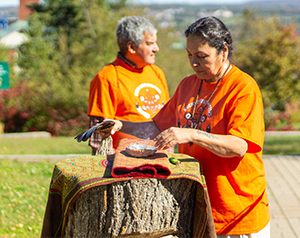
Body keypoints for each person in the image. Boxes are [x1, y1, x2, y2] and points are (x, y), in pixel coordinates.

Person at [100, 16, 270, 237]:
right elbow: (156, 127)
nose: (194, 63)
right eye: (189, 55)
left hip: (237, 213)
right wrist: (121, 125)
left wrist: (190, 134)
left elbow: (238, 146)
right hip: (197, 206)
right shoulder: (188, 84)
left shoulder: (244, 88)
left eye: (201, 56)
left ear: (224, 52)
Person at [87, 16, 170, 155]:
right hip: (123, 162)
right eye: (150, 43)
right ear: (131, 47)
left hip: (158, 157)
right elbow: (99, 133)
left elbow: (167, 119)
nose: (157, 48)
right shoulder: (107, 76)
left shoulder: (157, 72)